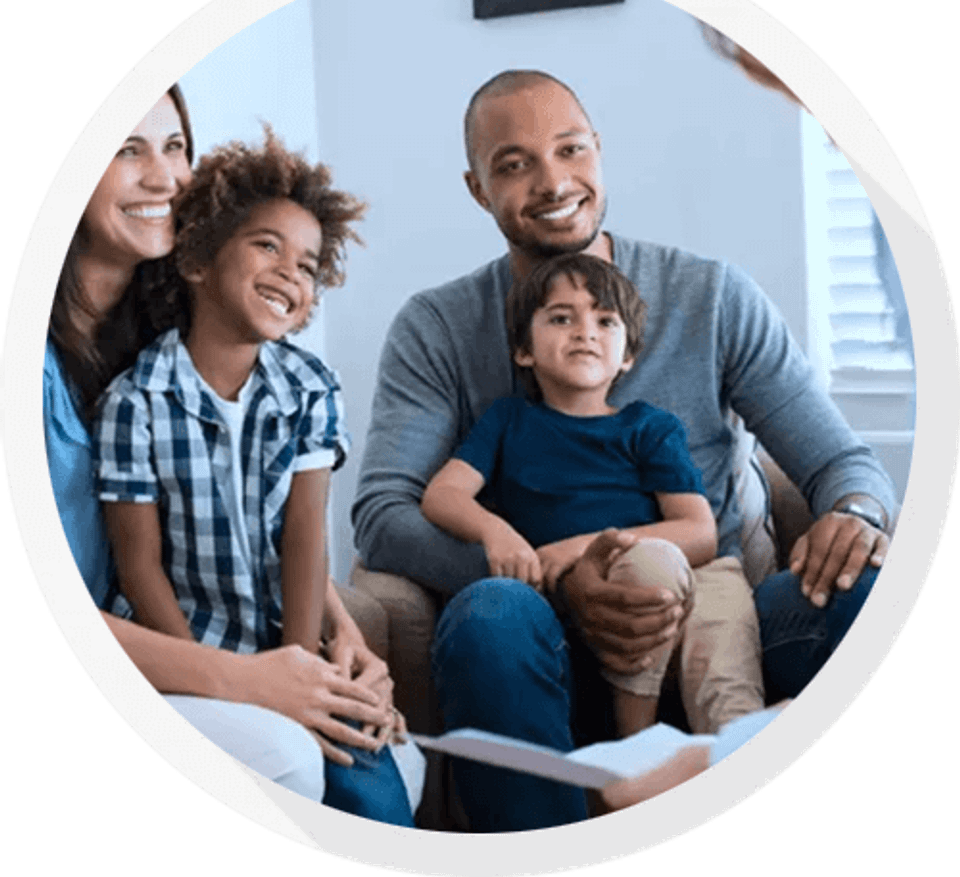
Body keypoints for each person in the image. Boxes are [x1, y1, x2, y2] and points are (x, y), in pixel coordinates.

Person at [352, 69, 896, 831]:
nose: (553, 181)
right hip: (539, 631)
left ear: (599, 153)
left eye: (570, 150)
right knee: (490, 616)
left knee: (870, 584)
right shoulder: (438, 327)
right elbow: (384, 514)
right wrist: (558, 577)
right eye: (514, 164)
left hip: (717, 610)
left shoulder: (710, 296)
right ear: (478, 189)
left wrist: (856, 511)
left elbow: (845, 466)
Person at [44, 90, 422, 820]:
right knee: (292, 757)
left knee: (379, 758)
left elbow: (298, 532)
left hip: (254, 643)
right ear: (201, 259)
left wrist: (331, 658)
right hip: (161, 645)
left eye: (175, 146)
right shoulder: (133, 395)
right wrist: (233, 677)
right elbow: (134, 565)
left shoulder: (296, 381)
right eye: (127, 147)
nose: (163, 177)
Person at [421, 253, 764, 739]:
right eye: (562, 318)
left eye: (605, 320)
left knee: (727, 683)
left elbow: (699, 532)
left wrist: (573, 548)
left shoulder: (649, 426)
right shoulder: (507, 421)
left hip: (696, 574)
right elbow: (443, 495)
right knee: (649, 567)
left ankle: (727, 763)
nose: (585, 331)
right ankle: (632, 753)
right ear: (524, 349)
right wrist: (495, 532)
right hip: (597, 593)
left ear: (627, 356)